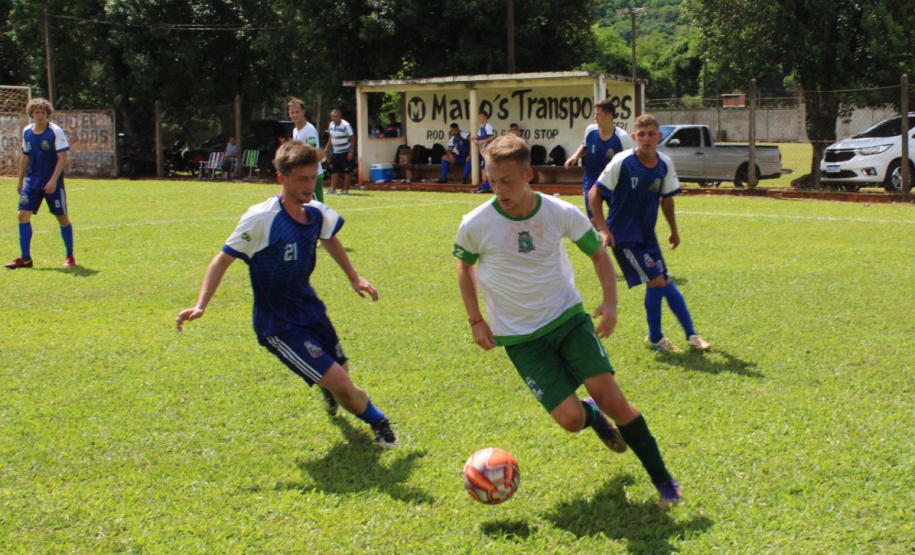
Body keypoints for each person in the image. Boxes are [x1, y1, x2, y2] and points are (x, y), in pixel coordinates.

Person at [453, 133, 682, 509]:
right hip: (520, 338)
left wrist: (610, 303)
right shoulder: (476, 222)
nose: (498, 189)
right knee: (572, 420)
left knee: (617, 402)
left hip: (567, 319)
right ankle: (591, 415)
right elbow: (464, 267)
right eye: (491, 180)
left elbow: (598, 255)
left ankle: (664, 481)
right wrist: (476, 320)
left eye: (506, 180)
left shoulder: (559, 213)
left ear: (529, 175)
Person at [176, 140, 400, 449]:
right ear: (282, 179)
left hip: (310, 309)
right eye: (302, 179)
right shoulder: (261, 219)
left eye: (313, 177)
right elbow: (222, 259)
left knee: (341, 374)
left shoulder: (316, 213)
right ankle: (380, 423)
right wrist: (200, 305)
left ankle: (328, 388)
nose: (310, 186)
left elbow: (329, 237)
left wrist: (353, 277)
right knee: (341, 383)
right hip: (278, 324)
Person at [589, 114, 711, 353]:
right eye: (641, 134)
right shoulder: (622, 162)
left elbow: (666, 199)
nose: (646, 139)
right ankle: (655, 338)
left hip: (647, 236)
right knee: (657, 282)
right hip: (623, 236)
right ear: (634, 137)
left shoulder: (664, 163)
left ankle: (692, 335)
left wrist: (674, 230)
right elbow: (594, 193)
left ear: (659, 136)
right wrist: (603, 228)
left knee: (665, 282)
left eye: (651, 134)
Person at [7, 97, 74, 269]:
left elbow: (62, 158)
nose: (39, 115)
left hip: (52, 183)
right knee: (22, 215)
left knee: (62, 218)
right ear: (31, 113)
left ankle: (69, 255)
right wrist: (20, 179)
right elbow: (26, 156)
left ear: (47, 114)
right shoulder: (27, 132)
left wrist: (53, 180)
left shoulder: (55, 131)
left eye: (43, 112)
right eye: (36, 112)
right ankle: (26, 258)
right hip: (32, 182)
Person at [565, 99, 634, 219]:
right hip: (591, 184)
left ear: (609, 116)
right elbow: (585, 146)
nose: (595, 118)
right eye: (595, 114)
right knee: (593, 220)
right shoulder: (591, 131)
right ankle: (600, 237)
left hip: (613, 185)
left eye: (598, 115)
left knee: (618, 220)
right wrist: (575, 156)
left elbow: (630, 162)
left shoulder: (622, 137)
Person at [288, 98, 325, 202]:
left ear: (303, 112)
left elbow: (312, 153)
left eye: (297, 112)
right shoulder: (295, 130)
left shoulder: (309, 130)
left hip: (313, 175)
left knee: (317, 206)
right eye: (292, 112)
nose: (295, 115)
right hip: (304, 174)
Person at [325, 109, 355, 195]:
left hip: (345, 151)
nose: (335, 118)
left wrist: (351, 151)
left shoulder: (346, 125)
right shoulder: (331, 125)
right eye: (333, 117)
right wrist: (327, 148)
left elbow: (352, 138)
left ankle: (346, 189)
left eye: (337, 117)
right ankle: (333, 188)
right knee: (334, 170)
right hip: (336, 152)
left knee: (346, 171)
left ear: (340, 117)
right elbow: (331, 137)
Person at [471, 111, 495, 193]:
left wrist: (481, 141)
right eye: (479, 116)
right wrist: (474, 139)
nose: (479, 118)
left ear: (485, 117)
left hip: (488, 150)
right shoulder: (482, 127)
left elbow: (491, 137)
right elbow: (478, 136)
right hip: (483, 150)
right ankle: (485, 186)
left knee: (485, 167)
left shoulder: (488, 126)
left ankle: (486, 186)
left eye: (481, 116)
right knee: (483, 167)